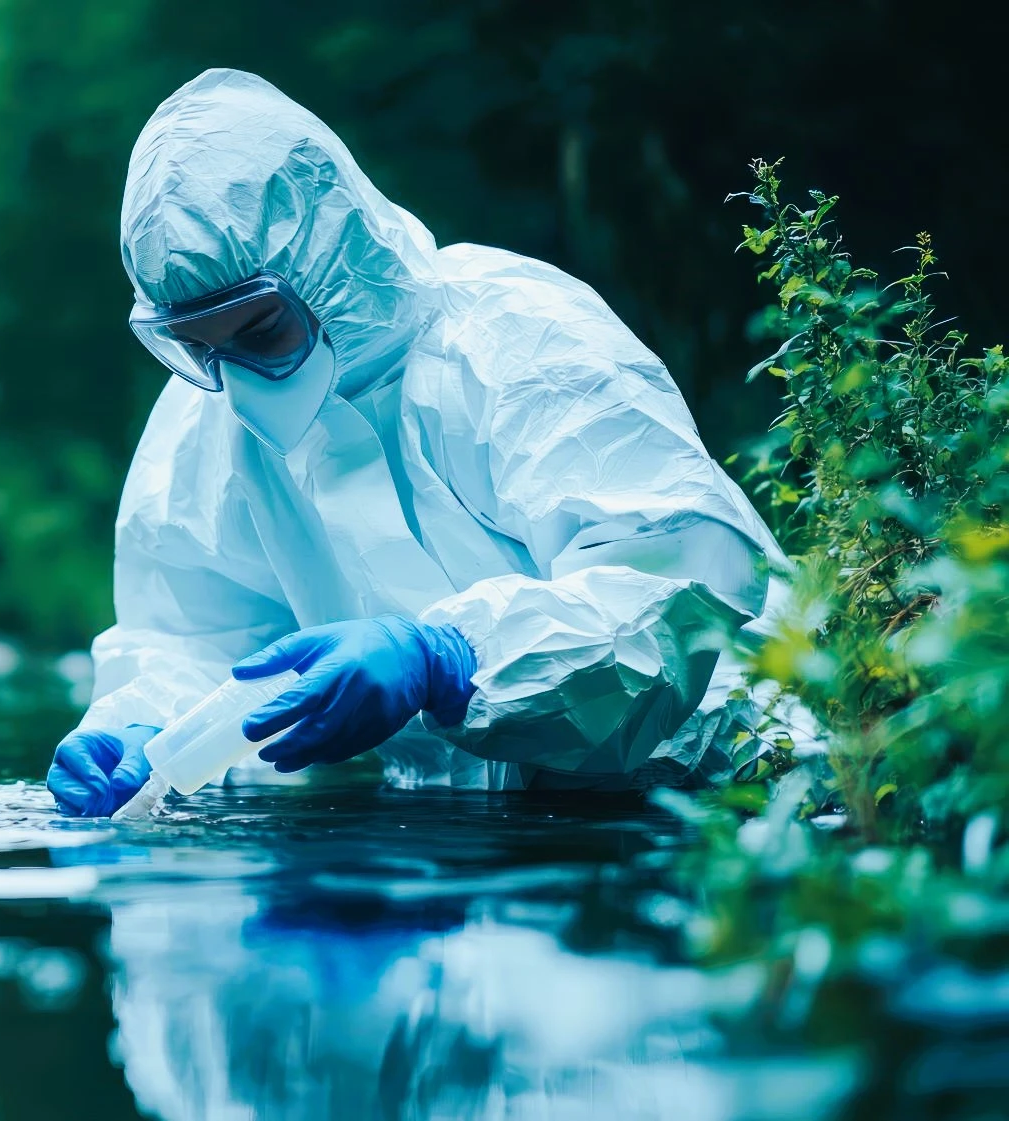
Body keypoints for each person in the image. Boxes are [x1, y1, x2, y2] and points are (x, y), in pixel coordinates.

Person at [49, 69, 787, 816]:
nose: (237, 380)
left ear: (324, 257)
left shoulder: (521, 337)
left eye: (259, 330)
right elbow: (201, 636)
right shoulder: (207, 421)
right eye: (198, 346)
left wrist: (453, 658)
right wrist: (143, 727)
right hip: (494, 830)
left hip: (738, 798)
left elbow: (675, 595)